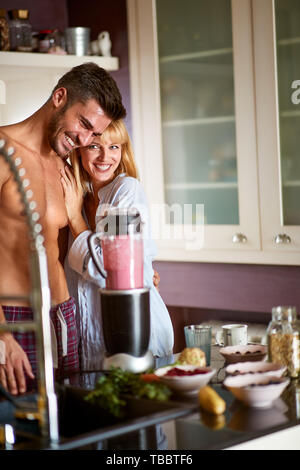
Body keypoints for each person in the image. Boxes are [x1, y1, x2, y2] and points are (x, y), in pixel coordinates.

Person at [0, 62, 126, 395]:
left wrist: (137, 262)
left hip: (63, 318)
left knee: (69, 435)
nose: (84, 140)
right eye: (83, 124)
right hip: (13, 321)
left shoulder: (66, 161)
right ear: (60, 97)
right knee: (19, 435)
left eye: (94, 134)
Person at [61, 119, 174, 371]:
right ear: (79, 150)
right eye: (94, 146)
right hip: (96, 349)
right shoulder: (76, 197)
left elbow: (109, 270)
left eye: (114, 147)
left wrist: (75, 219)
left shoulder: (126, 191)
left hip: (140, 342)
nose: (105, 156)